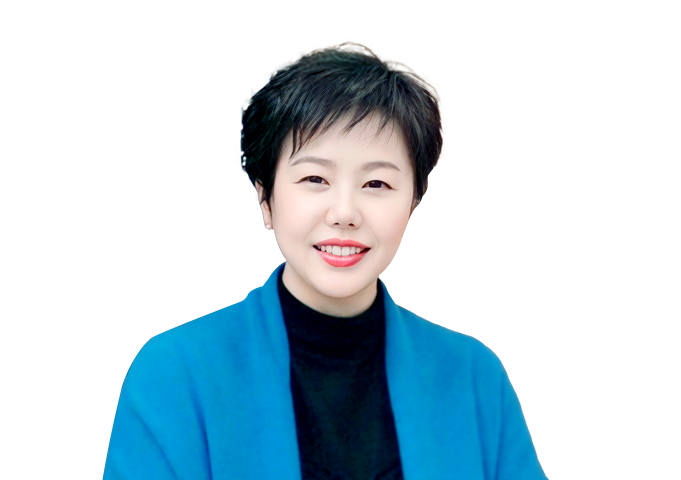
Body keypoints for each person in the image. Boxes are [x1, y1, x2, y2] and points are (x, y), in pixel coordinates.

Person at [104, 42, 547, 480]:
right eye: (315, 178)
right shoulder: (175, 374)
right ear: (266, 200)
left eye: (376, 184)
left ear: (413, 204)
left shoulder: (474, 378)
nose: (344, 213)